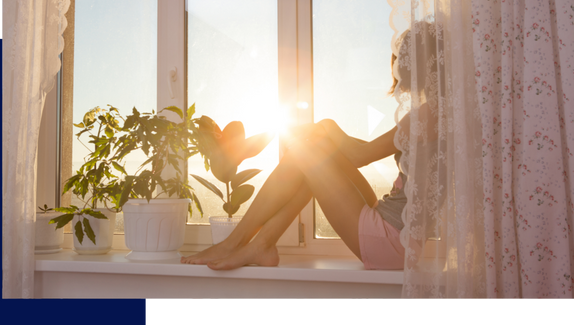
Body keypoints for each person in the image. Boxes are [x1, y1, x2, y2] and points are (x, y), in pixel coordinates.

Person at [181, 24, 437, 271]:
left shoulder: (426, 115)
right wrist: (326, 138)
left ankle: (235, 243)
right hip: (397, 239)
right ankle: (261, 244)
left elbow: (362, 155)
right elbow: (361, 152)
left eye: (399, 61)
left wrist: (327, 125)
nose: (396, 70)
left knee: (305, 154)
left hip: (388, 240)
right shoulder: (441, 114)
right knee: (314, 155)